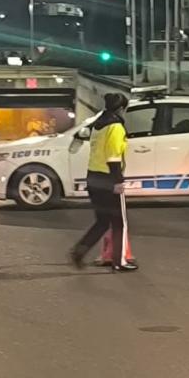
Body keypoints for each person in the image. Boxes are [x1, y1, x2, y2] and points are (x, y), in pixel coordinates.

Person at [69, 93, 138, 272]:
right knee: (119, 223)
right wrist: (117, 181)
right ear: (121, 109)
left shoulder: (98, 126)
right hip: (109, 179)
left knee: (102, 222)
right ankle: (119, 261)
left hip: (93, 178)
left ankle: (79, 251)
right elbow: (113, 157)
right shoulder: (115, 127)